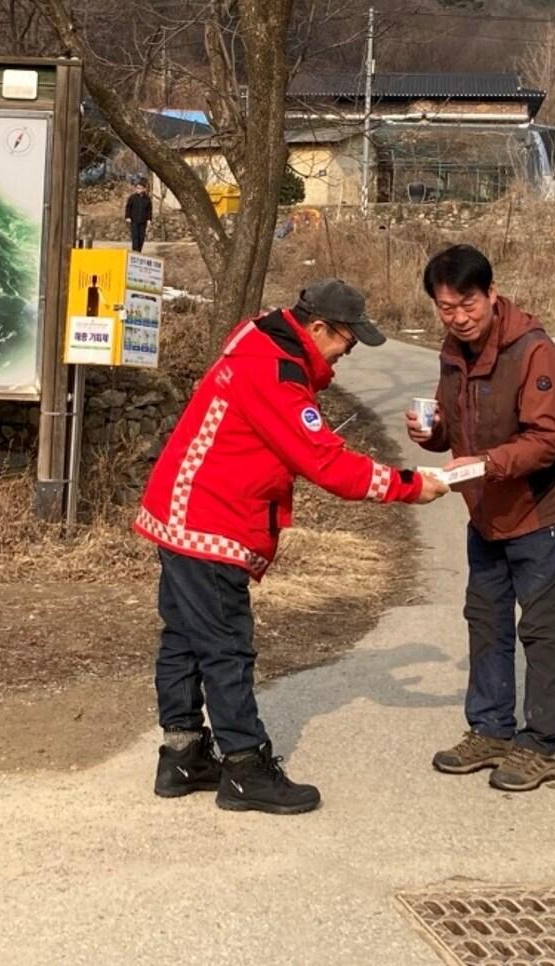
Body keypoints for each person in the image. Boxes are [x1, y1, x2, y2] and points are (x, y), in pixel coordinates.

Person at [135, 279, 449, 815]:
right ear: (318, 328)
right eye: (347, 341)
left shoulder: (262, 343)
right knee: (226, 645)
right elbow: (327, 464)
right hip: (212, 520)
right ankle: (244, 767)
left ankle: (182, 756)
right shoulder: (275, 373)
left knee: (186, 638)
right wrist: (410, 485)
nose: (348, 353)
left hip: (182, 510)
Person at [406, 244, 555, 793]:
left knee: (541, 629)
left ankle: (540, 743)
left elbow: (546, 440)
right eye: (446, 307)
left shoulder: (533, 350)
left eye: (468, 304)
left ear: (491, 294)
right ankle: (489, 729)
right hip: (484, 512)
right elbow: (454, 425)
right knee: (485, 621)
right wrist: (431, 433)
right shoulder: (451, 351)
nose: (458, 317)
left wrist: (483, 464)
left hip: (540, 511)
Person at [124, 178, 153, 252]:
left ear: (144, 189)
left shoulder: (147, 199)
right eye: (137, 188)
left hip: (143, 221)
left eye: (140, 188)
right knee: (135, 236)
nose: (138, 189)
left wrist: (149, 219)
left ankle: (139, 251)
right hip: (134, 220)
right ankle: (135, 251)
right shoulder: (132, 198)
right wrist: (127, 217)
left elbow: (149, 210)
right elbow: (128, 207)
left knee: (141, 237)